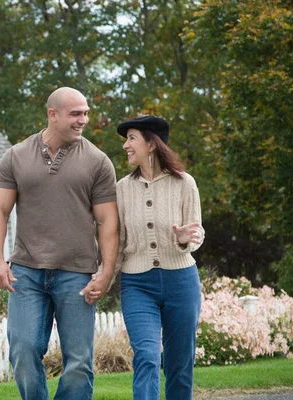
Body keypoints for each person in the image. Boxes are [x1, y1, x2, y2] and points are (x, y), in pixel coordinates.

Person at [0, 87, 119, 400]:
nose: (83, 120)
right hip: (26, 273)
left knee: (80, 361)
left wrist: (107, 270)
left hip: (77, 274)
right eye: (76, 114)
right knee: (23, 351)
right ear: (53, 114)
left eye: (86, 113)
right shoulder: (16, 156)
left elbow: (108, 222)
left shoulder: (97, 161)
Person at [90, 115, 204, 399]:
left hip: (182, 281)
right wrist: (105, 276)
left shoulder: (184, 183)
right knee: (147, 356)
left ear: (151, 144)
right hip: (138, 285)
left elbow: (195, 233)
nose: (126, 146)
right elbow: (118, 241)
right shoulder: (122, 189)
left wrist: (184, 241)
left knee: (180, 362)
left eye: (131, 138)